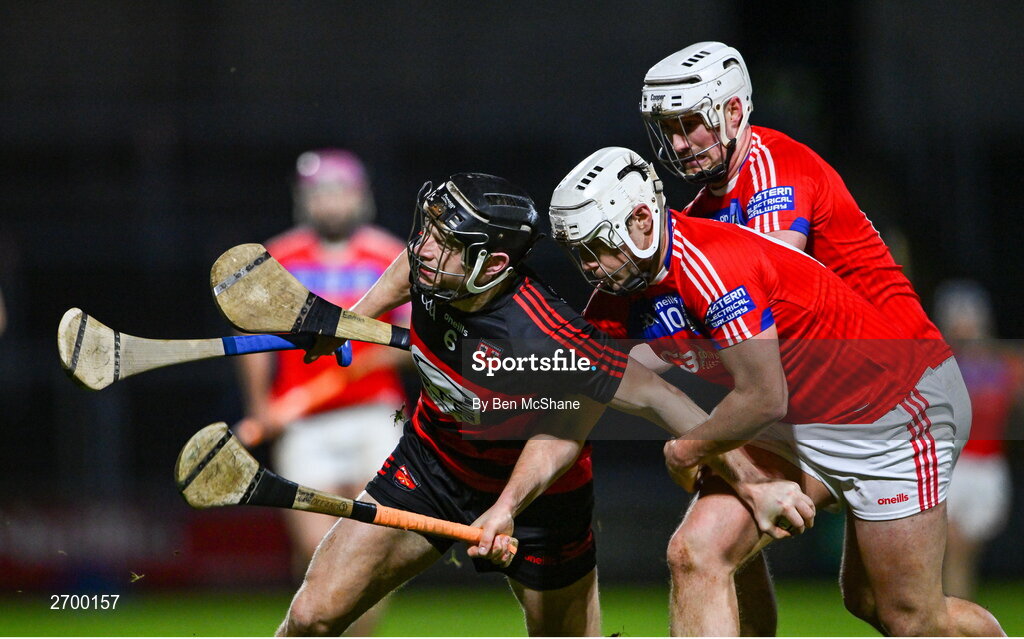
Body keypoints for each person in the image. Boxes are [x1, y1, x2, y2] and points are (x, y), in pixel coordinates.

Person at [277, 172, 812, 636]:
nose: (425, 249)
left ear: (492, 265)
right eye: (428, 231)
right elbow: (407, 269)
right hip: (431, 468)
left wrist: (751, 483)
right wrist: (349, 321)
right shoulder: (432, 269)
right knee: (311, 616)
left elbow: (657, 396)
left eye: (446, 242)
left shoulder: (545, 336)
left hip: (543, 505)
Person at [549, 146, 1005, 636]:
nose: (592, 267)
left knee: (901, 614)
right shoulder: (618, 299)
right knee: (697, 553)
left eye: (598, 246)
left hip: (888, 413)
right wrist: (506, 502)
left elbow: (763, 396)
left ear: (641, 218)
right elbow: (578, 394)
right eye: (580, 253)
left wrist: (687, 449)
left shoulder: (711, 264)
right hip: (796, 420)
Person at [640, 41, 942, 344]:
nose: (678, 144)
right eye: (668, 130)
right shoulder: (701, 212)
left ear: (732, 112)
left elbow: (775, 277)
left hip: (906, 364)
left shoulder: (777, 164)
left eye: (689, 124)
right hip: (842, 376)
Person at [234, 149, 409, 635]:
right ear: (303, 199)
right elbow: (254, 344)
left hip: (376, 418)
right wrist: (260, 406)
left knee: (370, 552)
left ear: (361, 196)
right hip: (303, 424)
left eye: (340, 190)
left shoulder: (390, 256)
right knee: (316, 553)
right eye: (319, 193)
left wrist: (369, 356)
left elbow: (415, 342)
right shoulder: (277, 259)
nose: (330, 202)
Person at [934, 280, 1022, 599]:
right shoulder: (941, 362)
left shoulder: (1004, 364)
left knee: (966, 551)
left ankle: (954, 613)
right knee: (954, 546)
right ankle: (946, 617)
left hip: (989, 467)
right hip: (953, 466)